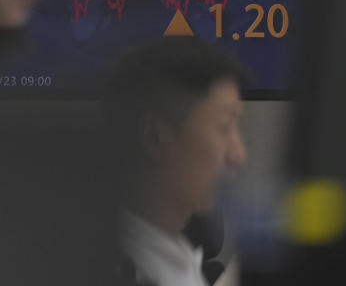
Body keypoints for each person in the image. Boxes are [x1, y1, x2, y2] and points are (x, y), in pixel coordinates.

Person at [103, 37, 247, 286]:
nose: (238, 154)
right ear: (155, 138)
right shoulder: (120, 272)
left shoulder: (174, 253)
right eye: (224, 128)